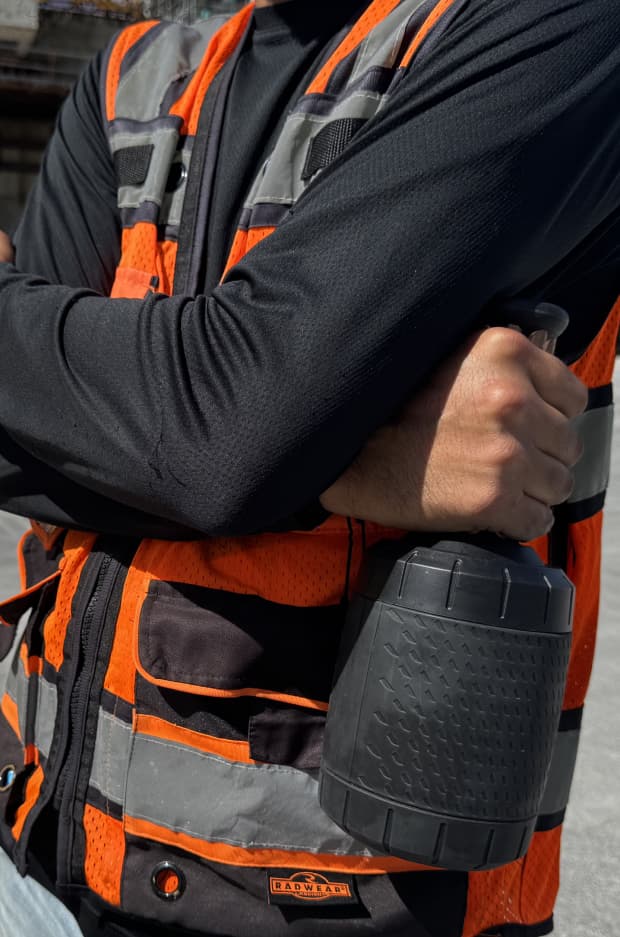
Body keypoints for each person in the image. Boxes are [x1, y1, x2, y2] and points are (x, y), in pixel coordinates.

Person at [0, 0, 617, 935]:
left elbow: (227, 437)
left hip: (342, 899)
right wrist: (352, 458)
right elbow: (204, 433)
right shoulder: (134, 74)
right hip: (40, 846)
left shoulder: (552, 30)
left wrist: (257, 436)